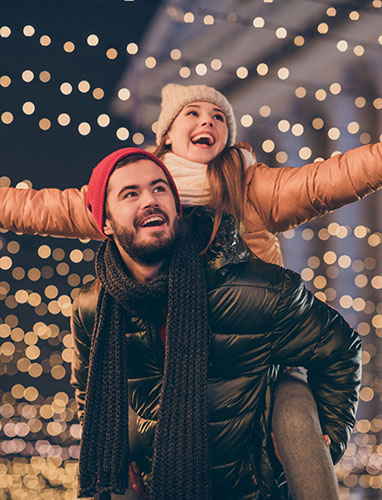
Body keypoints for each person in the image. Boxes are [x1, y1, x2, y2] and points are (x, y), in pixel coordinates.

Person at [1, 83, 379, 497]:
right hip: (167, 337)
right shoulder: (128, 183)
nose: (208, 122)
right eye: (194, 114)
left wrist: (330, 437)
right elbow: (38, 207)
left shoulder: (249, 185)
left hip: (252, 340)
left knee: (293, 413)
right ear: (166, 133)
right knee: (117, 421)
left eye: (219, 117)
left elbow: (331, 178)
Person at [70, 147, 361, 500]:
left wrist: (321, 445)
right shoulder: (93, 308)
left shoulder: (261, 290)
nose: (150, 200)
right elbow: (89, 392)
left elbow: (341, 350)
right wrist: (119, 459)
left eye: (160, 189)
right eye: (130, 194)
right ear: (105, 222)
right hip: (156, 487)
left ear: (177, 208)